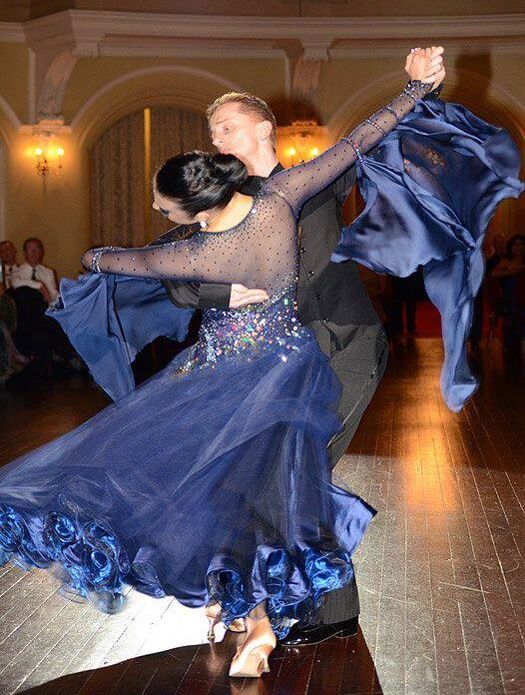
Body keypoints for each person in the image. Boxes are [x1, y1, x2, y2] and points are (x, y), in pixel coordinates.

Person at [0, 48, 445, 678]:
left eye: (227, 126)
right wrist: (223, 293)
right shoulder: (224, 204)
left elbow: (366, 139)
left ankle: (294, 608)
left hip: (342, 345)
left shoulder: (309, 181)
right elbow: (172, 272)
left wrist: (418, 88)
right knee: (266, 477)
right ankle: (273, 602)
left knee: (287, 475)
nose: (217, 138)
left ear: (263, 129)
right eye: (212, 132)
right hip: (264, 363)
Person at [492, 234, 525, 351]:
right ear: (511, 247)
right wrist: (516, 270)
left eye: (521, 244)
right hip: (510, 301)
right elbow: (494, 274)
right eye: (515, 245)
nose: (518, 247)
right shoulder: (506, 262)